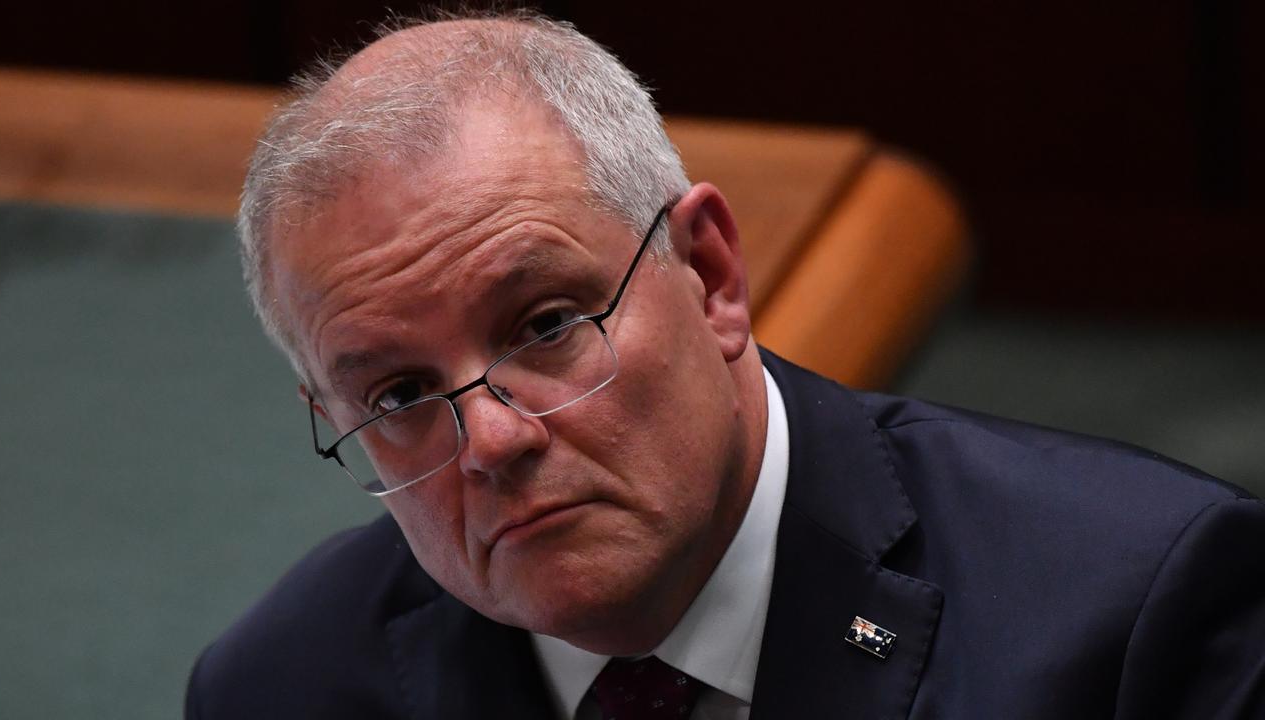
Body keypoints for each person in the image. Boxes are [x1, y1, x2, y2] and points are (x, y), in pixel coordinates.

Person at [186, 12, 1265, 720]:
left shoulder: (1135, 616)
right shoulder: (285, 687)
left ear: (705, 275)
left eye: (546, 324)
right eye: (402, 395)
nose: (494, 439)